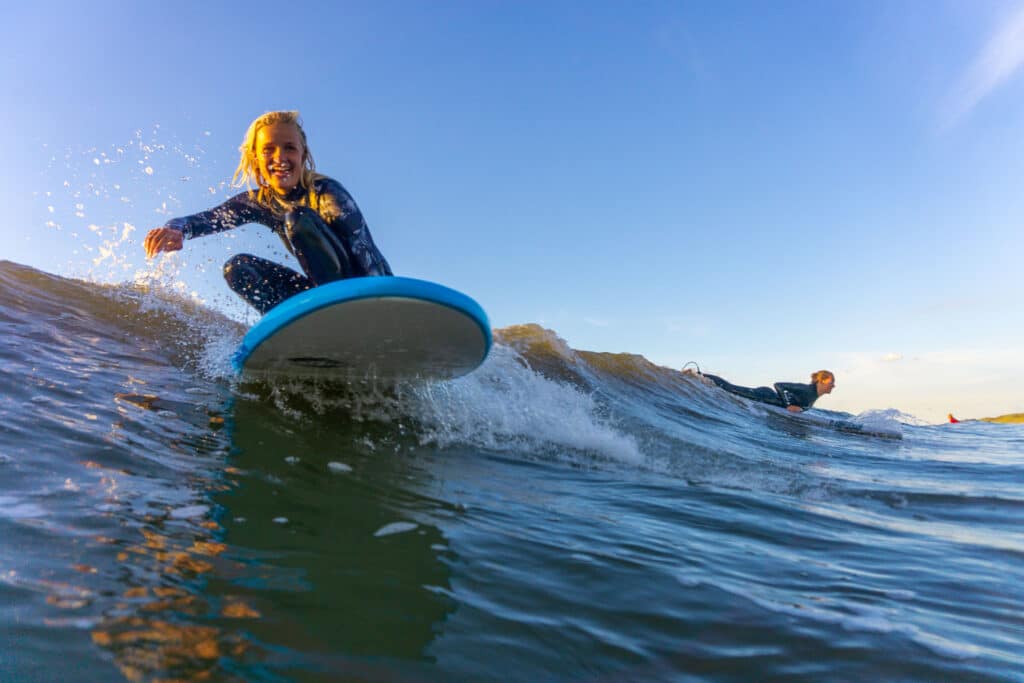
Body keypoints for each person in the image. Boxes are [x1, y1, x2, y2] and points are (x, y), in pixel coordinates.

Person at [143, 111, 392, 314]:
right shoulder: (260, 202)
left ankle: (339, 318)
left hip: (366, 296)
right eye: (268, 150)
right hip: (321, 303)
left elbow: (366, 255)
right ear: (255, 159)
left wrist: (385, 311)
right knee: (237, 267)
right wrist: (176, 229)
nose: (280, 158)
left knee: (298, 220)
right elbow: (206, 219)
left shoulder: (327, 193)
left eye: (289, 148)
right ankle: (295, 332)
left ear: (303, 155)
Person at [700, 370, 836, 412]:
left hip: (768, 398)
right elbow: (779, 385)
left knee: (732, 388)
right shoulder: (807, 390)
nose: (833, 386)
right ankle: (699, 374)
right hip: (764, 396)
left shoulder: (812, 394)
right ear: (820, 382)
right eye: (831, 383)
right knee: (731, 388)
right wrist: (789, 405)